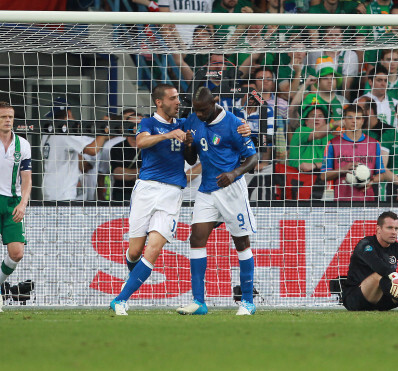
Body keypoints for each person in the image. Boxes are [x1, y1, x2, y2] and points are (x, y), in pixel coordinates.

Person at [177, 87, 258, 316]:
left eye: (203, 110)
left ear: (214, 102)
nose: (199, 115)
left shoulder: (234, 124)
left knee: (241, 243)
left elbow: (253, 157)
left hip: (231, 190)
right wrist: (188, 145)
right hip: (206, 190)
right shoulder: (192, 119)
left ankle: (248, 302)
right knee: (196, 238)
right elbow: (191, 158)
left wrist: (234, 173)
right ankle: (199, 302)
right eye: (196, 111)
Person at [109, 84, 188, 315]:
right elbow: (142, 142)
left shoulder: (184, 124)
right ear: (159, 102)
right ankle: (130, 283)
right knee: (135, 252)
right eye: (173, 98)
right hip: (146, 190)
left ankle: (121, 300)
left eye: (178, 98)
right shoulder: (148, 123)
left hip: (172, 193)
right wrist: (168, 135)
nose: (177, 102)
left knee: (153, 249)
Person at [321, 105, 398, 202]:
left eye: (358, 118)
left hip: (367, 200)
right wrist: (342, 169)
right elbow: (323, 175)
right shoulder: (333, 144)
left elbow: (382, 174)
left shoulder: (374, 144)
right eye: (350, 117)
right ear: (344, 120)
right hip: (341, 200)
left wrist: (371, 181)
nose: (354, 121)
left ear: (363, 121)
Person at [42, 97, 110, 201]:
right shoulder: (64, 131)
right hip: (63, 193)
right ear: (69, 113)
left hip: (49, 190)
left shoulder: (47, 133)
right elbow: (92, 150)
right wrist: (104, 132)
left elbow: (79, 160)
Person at [0, 102, 31, 312]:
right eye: (3, 117)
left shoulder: (23, 145)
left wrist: (23, 203)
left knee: (17, 252)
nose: (8, 120)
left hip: (12, 202)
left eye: (10, 117)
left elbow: (27, 179)